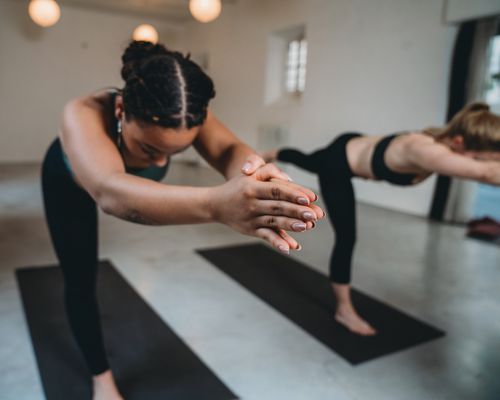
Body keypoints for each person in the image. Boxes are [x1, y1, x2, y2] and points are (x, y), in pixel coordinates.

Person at [41, 40, 324, 400]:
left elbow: (227, 151)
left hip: (112, 184)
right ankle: (101, 379)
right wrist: (216, 206)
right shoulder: (81, 112)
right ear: (120, 108)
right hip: (67, 180)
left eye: (174, 152)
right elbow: (111, 193)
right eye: (149, 149)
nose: (160, 164)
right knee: (80, 279)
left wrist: (258, 178)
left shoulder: (182, 111)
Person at [263, 102, 500, 336]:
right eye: (478, 158)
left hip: (352, 143)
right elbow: (487, 173)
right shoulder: (425, 150)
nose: (477, 163)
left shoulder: (438, 140)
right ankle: (344, 310)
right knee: (346, 236)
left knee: (309, 159)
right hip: (338, 164)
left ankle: (274, 153)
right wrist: (485, 166)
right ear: (459, 142)